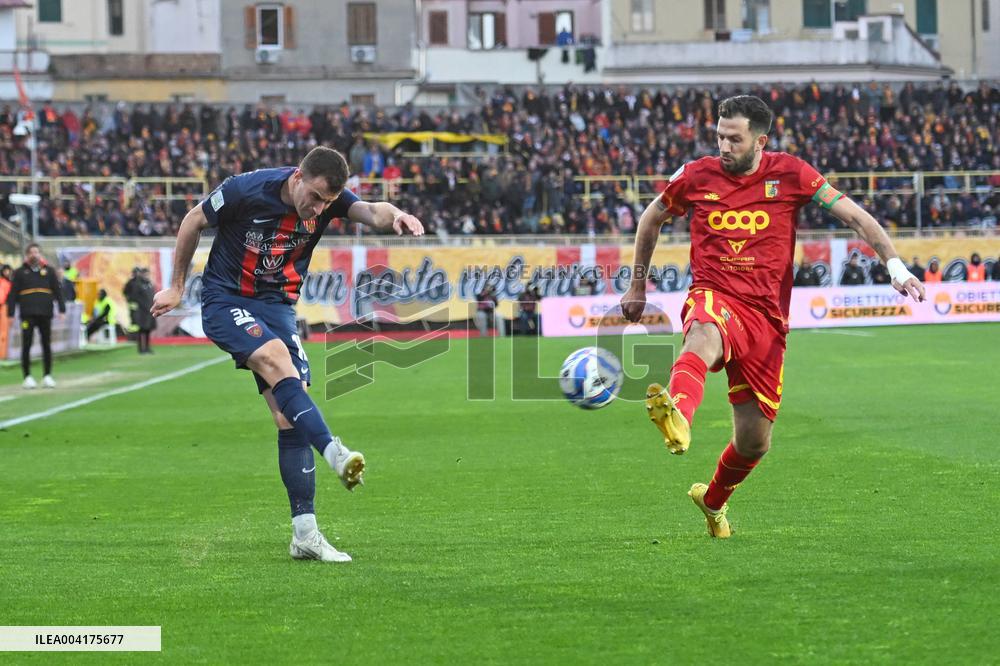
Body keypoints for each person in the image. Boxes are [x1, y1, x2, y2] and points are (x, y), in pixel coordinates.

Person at [620, 95, 924, 539]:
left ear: (760, 140)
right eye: (720, 136)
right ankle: (678, 413)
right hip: (715, 293)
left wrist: (895, 267)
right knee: (703, 333)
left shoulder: (792, 174)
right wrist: (637, 285)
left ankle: (712, 502)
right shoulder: (695, 176)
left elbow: (855, 217)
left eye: (734, 138)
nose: (724, 145)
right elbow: (651, 219)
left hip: (766, 318)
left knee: (754, 442)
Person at [150, 146, 424, 563]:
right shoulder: (247, 189)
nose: (318, 209)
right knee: (279, 362)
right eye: (314, 197)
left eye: (328, 202)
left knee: (287, 413)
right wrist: (176, 285)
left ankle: (305, 535)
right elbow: (193, 221)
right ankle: (334, 452)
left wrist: (398, 215)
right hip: (226, 300)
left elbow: (372, 211)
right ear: (298, 177)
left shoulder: (330, 203)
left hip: (277, 304)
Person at [7, 243, 66, 389]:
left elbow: (57, 291)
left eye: (37, 252)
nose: (35, 255)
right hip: (27, 314)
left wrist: (62, 309)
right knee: (26, 344)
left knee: (46, 344)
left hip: (45, 313)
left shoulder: (49, 271)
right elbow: (13, 294)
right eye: (32, 252)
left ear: (40, 254)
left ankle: (47, 376)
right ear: (27, 255)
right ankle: (27, 377)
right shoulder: (20, 272)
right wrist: (11, 314)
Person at [124, 267, 156, 354]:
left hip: (150, 311)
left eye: (148, 274)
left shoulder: (149, 284)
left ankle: (147, 348)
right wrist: (138, 306)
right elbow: (133, 296)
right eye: (145, 274)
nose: (147, 276)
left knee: (148, 330)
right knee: (141, 330)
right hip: (141, 311)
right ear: (142, 274)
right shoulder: (137, 284)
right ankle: (141, 349)